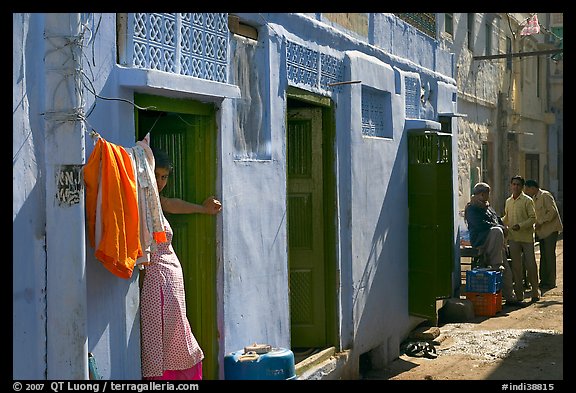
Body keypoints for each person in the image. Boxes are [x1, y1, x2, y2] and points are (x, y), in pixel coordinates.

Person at [139, 147, 222, 380]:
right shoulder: (140, 199)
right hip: (158, 284)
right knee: (163, 339)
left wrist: (203, 210)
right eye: (156, 175)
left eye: (164, 177)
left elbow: (171, 204)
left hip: (170, 285)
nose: (160, 181)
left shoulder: (154, 201)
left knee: (175, 335)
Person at [464, 182, 518, 305]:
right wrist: (500, 227)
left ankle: (510, 298)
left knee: (506, 271)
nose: (488, 196)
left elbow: (498, 220)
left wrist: (504, 227)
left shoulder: (488, 207)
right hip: (482, 241)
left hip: (496, 245)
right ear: (482, 194)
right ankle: (496, 263)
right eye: (487, 193)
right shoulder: (472, 208)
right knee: (497, 230)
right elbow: (480, 225)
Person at [501, 175, 539, 303]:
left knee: (530, 265)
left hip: (526, 237)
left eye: (518, 185)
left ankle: (535, 292)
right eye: (514, 184)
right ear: (511, 186)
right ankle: (519, 295)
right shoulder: (508, 201)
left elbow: (533, 218)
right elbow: (507, 217)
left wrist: (520, 226)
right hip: (513, 238)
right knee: (516, 267)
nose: (515, 187)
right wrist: (499, 223)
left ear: (522, 187)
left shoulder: (527, 200)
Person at [524, 179, 563, 291]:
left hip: (550, 230)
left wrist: (540, 221)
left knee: (549, 256)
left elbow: (552, 212)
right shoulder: (534, 199)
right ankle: (544, 280)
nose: (526, 192)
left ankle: (550, 281)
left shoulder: (545, 195)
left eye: (527, 189)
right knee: (543, 256)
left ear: (532, 188)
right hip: (541, 232)